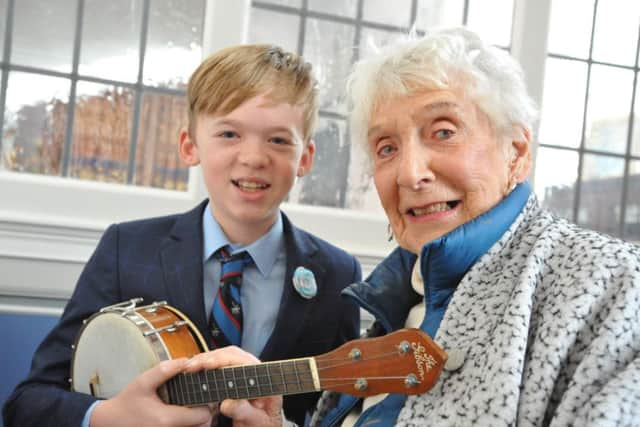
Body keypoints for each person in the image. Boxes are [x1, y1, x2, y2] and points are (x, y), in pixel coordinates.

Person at [185, 27, 640, 426]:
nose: (410, 173)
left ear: (517, 151)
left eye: (443, 131)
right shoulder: (399, 300)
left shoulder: (615, 282)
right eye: (386, 148)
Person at [2, 44, 362, 427]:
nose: (254, 157)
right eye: (229, 133)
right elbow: (27, 404)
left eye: (278, 140)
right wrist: (109, 416)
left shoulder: (337, 275)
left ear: (304, 158)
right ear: (190, 146)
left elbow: (340, 415)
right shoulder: (127, 249)